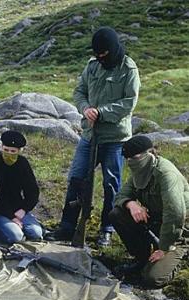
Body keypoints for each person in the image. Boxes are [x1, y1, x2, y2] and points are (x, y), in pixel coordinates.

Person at [48, 26, 140, 247]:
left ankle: (106, 229)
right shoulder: (92, 66)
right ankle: (68, 226)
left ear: (113, 50)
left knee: (111, 184)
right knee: (77, 178)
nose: (100, 58)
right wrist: (85, 107)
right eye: (97, 55)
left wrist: (102, 112)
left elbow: (129, 102)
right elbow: (79, 92)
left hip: (115, 138)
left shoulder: (128, 69)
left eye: (104, 55)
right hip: (89, 135)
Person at [109, 135, 188, 287]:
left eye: (135, 157)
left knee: (152, 278)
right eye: (128, 158)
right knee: (117, 214)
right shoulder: (140, 172)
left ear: (150, 153)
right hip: (157, 222)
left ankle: (180, 252)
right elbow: (120, 196)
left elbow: (175, 214)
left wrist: (164, 249)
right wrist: (131, 203)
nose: (131, 161)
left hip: (180, 230)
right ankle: (142, 257)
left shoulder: (165, 175)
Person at [0, 130, 43, 245]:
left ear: (19, 151)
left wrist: (24, 209)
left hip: (18, 209)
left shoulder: (23, 163)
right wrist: (12, 217)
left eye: (13, 151)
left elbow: (32, 191)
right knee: (16, 236)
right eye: (6, 150)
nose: (9, 153)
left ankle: (18, 226)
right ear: (1, 146)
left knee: (36, 233)